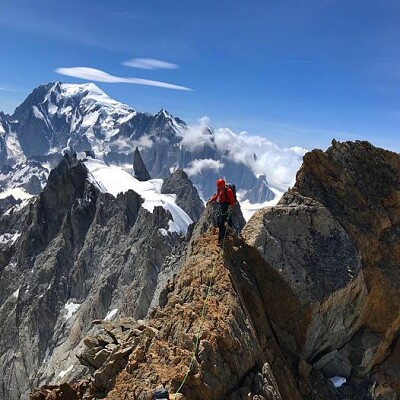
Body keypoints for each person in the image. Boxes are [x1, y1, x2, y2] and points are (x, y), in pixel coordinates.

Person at [207, 178, 235, 245]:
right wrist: (211, 200)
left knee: (221, 223)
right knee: (222, 221)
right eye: (219, 187)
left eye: (221, 186)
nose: (220, 188)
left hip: (226, 207)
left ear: (223, 185)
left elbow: (232, 201)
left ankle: (221, 240)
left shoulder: (229, 191)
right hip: (222, 206)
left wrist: (230, 207)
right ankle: (229, 231)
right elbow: (217, 196)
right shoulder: (219, 189)